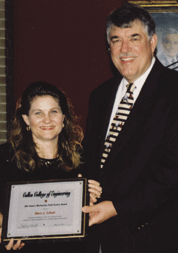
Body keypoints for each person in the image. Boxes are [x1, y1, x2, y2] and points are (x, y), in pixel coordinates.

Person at [82, 3, 178, 253]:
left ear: (153, 41)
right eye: (116, 40)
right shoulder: (100, 96)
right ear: (109, 47)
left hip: (154, 237)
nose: (125, 49)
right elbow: (92, 161)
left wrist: (117, 208)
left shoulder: (174, 91)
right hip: (101, 237)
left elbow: (172, 171)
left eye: (134, 38)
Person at [0, 81, 102, 252]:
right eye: (38, 113)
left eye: (54, 112)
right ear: (26, 119)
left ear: (63, 117)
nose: (47, 120)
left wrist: (90, 201)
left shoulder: (84, 156)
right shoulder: (4, 155)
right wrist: (10, 226)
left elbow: (88, 216)